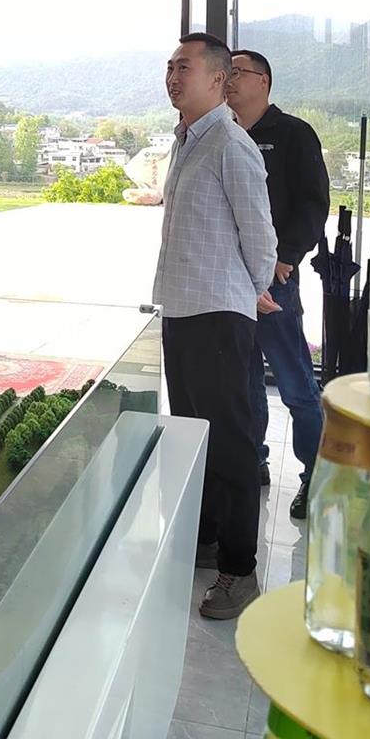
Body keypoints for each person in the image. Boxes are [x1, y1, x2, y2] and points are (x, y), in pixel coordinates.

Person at [153, 33, 278, 620]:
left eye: (185, 67)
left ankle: (239, 569)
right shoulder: (186, 140)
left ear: (217, 79)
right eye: (170, 67)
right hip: (180, 308)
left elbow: (260, 234)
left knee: (230, 444)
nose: (174, 77)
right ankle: (203, 539)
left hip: (218, 313)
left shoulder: (231, 143)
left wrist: (250, 289)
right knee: (191, 435)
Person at [226, 49, 330, 521]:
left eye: (238, 72)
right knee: (244, 382)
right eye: (226, 72)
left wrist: (286, 257)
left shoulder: (292, 133)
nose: (229, 79)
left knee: (296, 385)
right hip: (229, 284)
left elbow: (313, 203)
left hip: (274, 282)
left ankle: (316, 477)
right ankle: (254, 463)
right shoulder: (223, 132)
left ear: (263, 81)